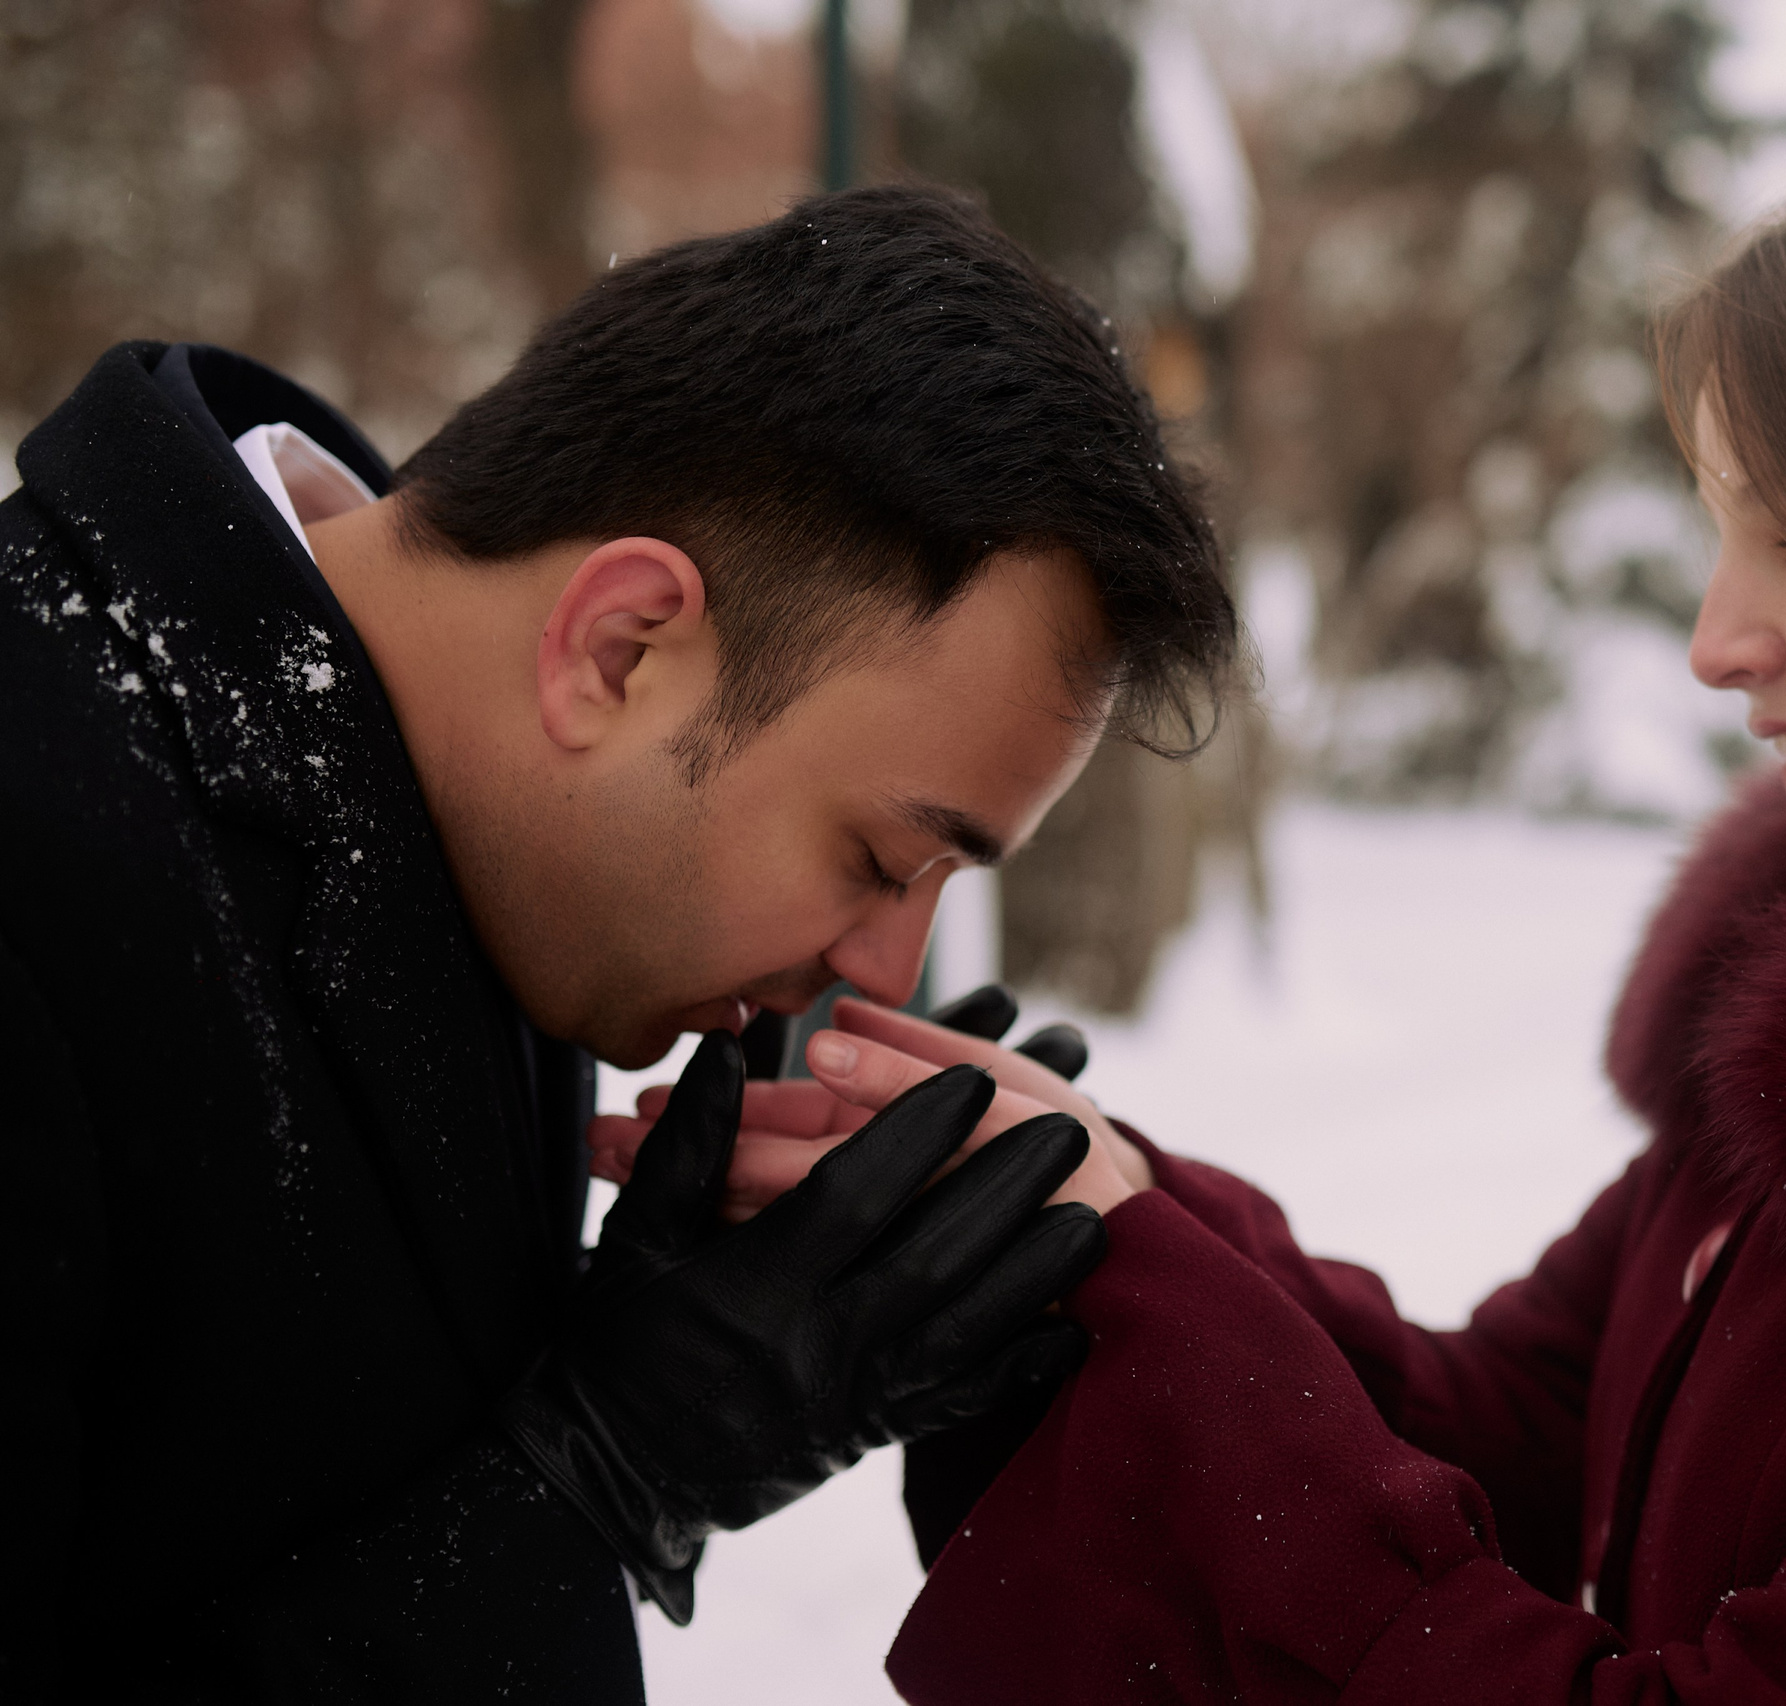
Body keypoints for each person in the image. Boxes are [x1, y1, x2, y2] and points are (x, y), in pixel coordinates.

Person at [622, 126, 1786, 1699]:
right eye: (1720, 527)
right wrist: (1068, 1207)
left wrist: (1138, 1276)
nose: (1719, 637)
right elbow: (1525, 1426)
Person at [0, 184, 1234, 1701]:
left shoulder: (474, 827)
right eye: (877, 858)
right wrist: (598, 1473)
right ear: (619, 646)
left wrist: (610, 1392)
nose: (888, 973)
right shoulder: (39, 855)